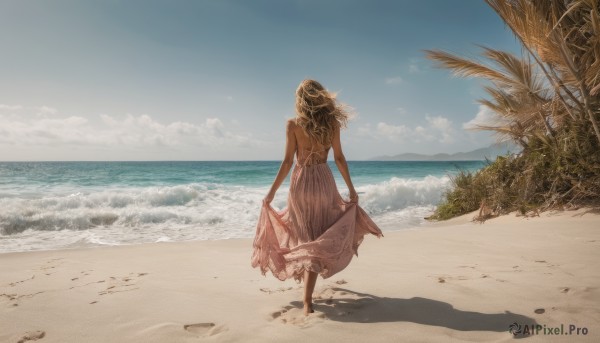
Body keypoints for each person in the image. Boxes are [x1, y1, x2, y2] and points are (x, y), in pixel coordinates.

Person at [251, 79, 383, 316]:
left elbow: (288, 162)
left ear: (300, 99)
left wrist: (271, 192)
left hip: (301, 184)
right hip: (323, 181)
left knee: (305, 234)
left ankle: (307, 300)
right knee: (319, 233)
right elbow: (340, 159)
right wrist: (351, 189)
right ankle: (308, 293)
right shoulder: (331, 124)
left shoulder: (293, 125)